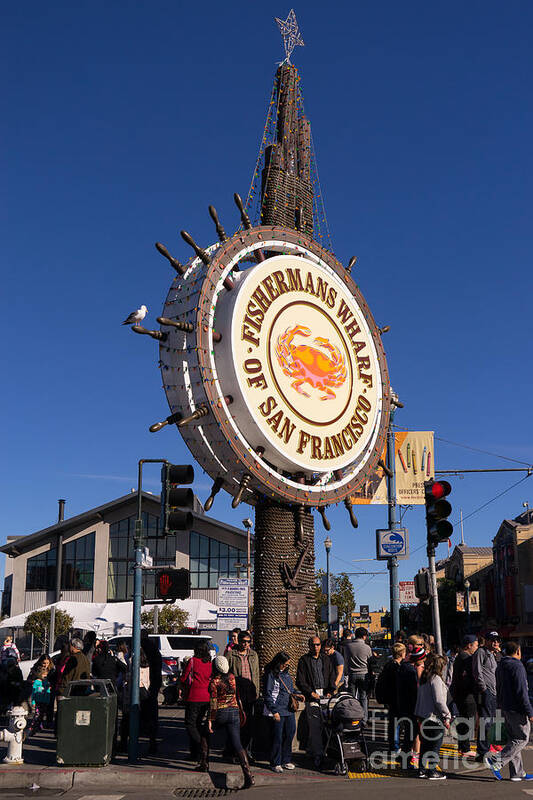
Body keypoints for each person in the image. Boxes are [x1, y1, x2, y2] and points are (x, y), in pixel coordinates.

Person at [485, 641, 533, 781]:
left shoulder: (501, 665)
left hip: (505, 706)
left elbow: (498, 687)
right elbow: (521, 691)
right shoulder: (517, 666)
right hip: (516, 708)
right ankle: (496, 761)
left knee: (513, 739)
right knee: (522, 738)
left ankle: (517, 772)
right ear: (518, 651)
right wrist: (529, 711)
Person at [208, 655, 254, 788]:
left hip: (221, 713)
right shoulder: (232, 678)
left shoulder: (214, 682)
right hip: (234, 712)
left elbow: (213, 703)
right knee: (238, 744)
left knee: (204, 732)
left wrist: (210, 720)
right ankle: (248, 775)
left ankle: (204, 761)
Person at [296, 636, 336, 771]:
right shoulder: (304, 660)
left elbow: (332, 675)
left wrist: (331, 691)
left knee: (327, 726)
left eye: (318, 645)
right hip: (312, 695)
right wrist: (310, 693)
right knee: (315, 725)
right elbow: (300, 680)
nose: (316, 647)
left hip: (326, 695)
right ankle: (319, 754)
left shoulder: (326, 659)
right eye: (313, 645)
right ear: (309, 646)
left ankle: (312, 749)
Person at [263, 651, 302, 773]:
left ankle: (286, 759)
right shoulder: (270, 675)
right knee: (277, 737)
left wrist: (298, 694)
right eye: (284, 664)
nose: (286, 666)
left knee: (290, 734)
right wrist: (273, 711)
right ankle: (275, 762)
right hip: (278, 710)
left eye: (287, 665)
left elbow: (290, 689)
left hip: (288, 710)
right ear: (278, 663)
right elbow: (268, 694)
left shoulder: (286, 674)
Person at [414, 653, 451, 780]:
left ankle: (422, 769)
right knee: (435, 745)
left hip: (423, 716)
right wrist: (447, 715)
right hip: (434, 717)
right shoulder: (436, 679)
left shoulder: (425, 678)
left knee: (425, 744)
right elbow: (439, 700)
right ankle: (432, 770)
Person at [180, 641, 212, 770]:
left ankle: (201, 748)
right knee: (198, 724)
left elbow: (184, 677)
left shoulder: (193, 661)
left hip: (194, 696)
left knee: (190, 724)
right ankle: (195, 753)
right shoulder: (209, 662)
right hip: (206, 697)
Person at [227, 630, 260, 756]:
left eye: (248, 642)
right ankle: (234, 751)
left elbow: (256, 674)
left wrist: (257, 691)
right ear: (239, 641)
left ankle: (247, 751)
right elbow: (226, 674)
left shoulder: (253, 655)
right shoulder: (231, 655)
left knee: (249, 724)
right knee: (236, 723)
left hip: (250, 693)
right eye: (244, 641)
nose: (246, 644)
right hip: (237, 693)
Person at [473, 631, 500, 762]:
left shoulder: (494, 654)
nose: (495, 642)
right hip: (486, 692)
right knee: (486, 722)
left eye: (497, 640)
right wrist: (483, 689)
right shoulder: (481, 652)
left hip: (494, 692)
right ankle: (482, 751)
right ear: (487, 640)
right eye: (492, 640)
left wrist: (498, 653)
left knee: (491, 721)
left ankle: (485, 748)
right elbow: (477, 672)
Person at [397, 643, 426, 767]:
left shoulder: (404, 667)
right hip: (411, 706)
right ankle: (405, 759)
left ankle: (403, 757)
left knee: (410, 733)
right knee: (411, 734)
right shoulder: (411, 671)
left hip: (404, 705)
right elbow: (415, 690)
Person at [449, 634, 479, 757]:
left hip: (460, 693)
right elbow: (467, 677)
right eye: (476, 645)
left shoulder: (460, 657)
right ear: (469, 645)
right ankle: (465, 747)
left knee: (465, 720)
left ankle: (463, 746)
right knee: (467, 721)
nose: (477, 648)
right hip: (466, 695)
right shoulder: (466, 658)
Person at [375, 642, 405, 752]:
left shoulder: (388, 665)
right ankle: (395, 746)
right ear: (402, 653)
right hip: (396, 698)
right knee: (397, 724)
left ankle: (393, 744)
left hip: (389, 698)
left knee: (394, 723)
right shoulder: (397, 667)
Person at [140, 630, 162, 755]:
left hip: (144, 683)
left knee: (137, 712)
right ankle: (152, 741)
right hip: (152, 684)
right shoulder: (154, 649)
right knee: (152, 714)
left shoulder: (143, 648)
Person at [344, 627, 373, 721]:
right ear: (364, 636)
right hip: (364, 674)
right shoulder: (367, 648)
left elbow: (347, 660)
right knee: (363, 697)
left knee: (352, 697)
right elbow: (370, 661)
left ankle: (352, 717)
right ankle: (364, 718)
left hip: (352, 674)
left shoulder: (348, 647)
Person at [28, 661, 52, 735]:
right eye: (44, 674)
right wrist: (33, 702)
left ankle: (39, 726)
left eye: (46, 675)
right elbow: (33, 693)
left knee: (42, 714)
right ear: (40, 674)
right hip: (38, 701)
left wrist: (48, 700)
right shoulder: (36, 682)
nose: (45, 676)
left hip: (44, 701)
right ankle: (32, 727)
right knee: (37, 714)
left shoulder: (46, 682)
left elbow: (48, 692)